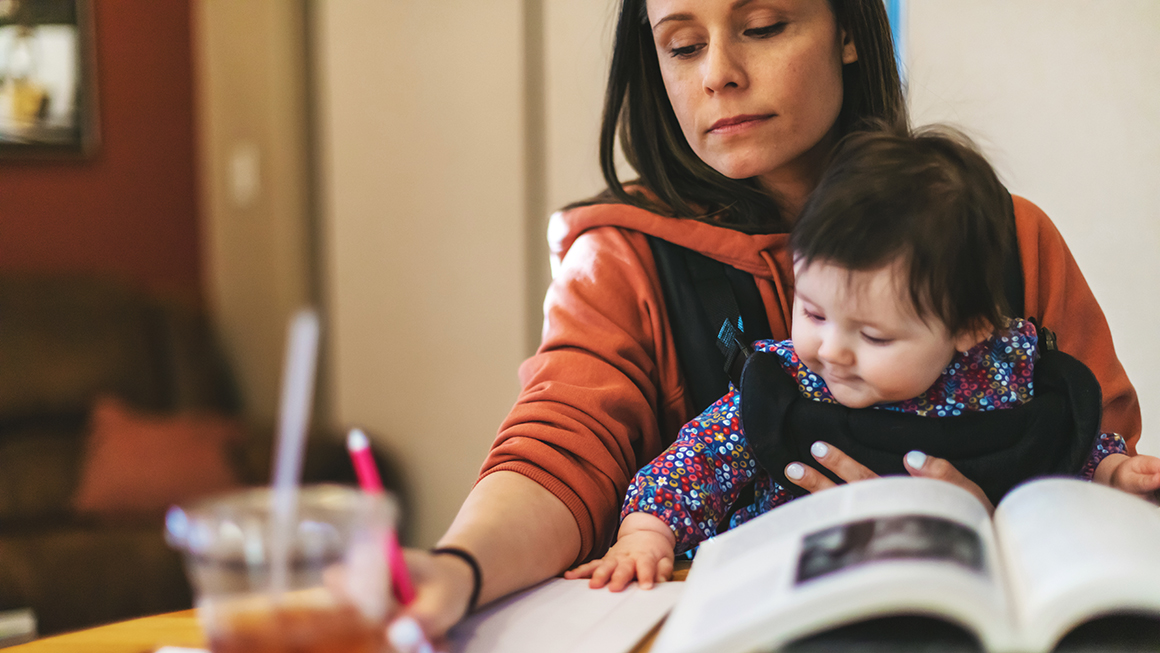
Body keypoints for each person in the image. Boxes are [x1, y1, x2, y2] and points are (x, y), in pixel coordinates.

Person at [392, 0, 1160, 643]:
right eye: (683, 45)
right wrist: (457, 566)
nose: (717, 72)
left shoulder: (1005, 236)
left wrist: (988, 513)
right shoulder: (623, 256)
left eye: (762, 26)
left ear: (851, 29)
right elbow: (559, 451)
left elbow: (1090, 469)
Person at [566, 126, 1133, 591]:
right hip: (784, 588)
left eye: (874, 337)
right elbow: (697, 463)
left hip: (948, 591)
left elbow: (1060, 445)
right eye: (813, 313)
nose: (831, 350)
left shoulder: (1005, 375)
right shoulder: (787, 384)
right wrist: (646, 535)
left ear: (969, 328)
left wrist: (1113, 473)